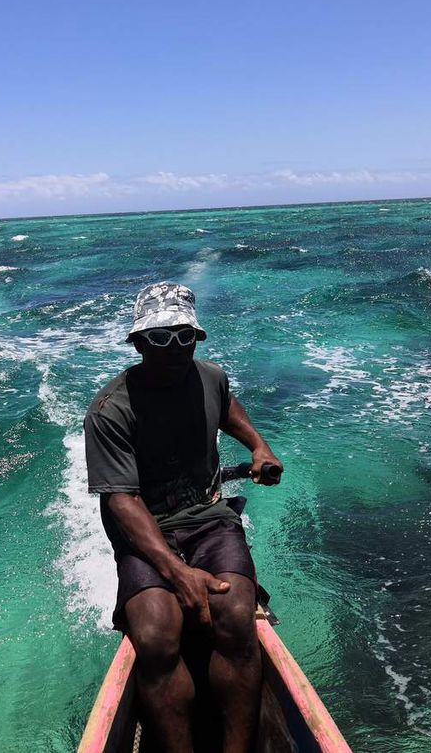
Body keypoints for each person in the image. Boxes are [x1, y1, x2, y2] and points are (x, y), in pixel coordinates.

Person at [84, 282, 283, 753]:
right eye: (159, 338)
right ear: (137, 342)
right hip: (145, 528)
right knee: (155, 636)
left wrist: (258, 446)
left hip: (209, 516)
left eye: (184, 337)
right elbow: (121, 502)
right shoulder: (111, 410)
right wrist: (179, 574)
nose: (174, 349)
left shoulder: (209, 376)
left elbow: (226, 406)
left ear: (197, 339)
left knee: (235, 615)